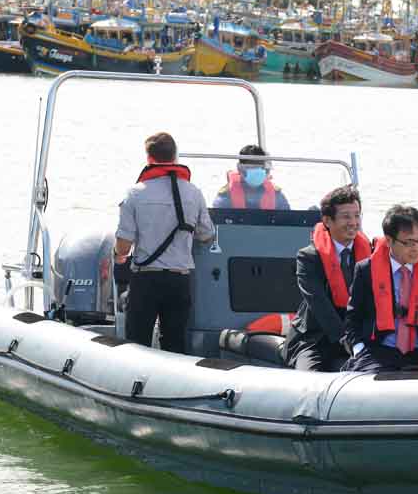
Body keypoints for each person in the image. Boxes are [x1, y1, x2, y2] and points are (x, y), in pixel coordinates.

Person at [114, 132, 215, 354]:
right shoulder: (194, 193)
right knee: (174, 343)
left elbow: (123, 247)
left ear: (149, 159)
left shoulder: (135, 194)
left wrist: (117, 255)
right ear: (175, 158)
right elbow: (207, 235)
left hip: (146, 279)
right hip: (179, 280)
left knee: (137, 344)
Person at [342, 205, 418, 374]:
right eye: (408, 242)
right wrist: (359, 349)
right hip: (377, 352)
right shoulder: (366, 270)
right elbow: (353, 318)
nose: (416, 248)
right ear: (389, 240)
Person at [282, 186, 371, 371]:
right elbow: (320, 305)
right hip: (314, 340)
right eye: (346, 216)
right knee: (310, 379)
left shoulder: (370, 255)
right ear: (327, 221)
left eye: (357, 215)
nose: (353, 222)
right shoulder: (308, 258)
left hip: (356, 339)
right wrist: (349, 342)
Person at [212, 144, 290, 210]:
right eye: (252, 167)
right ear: (241, 169)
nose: (258, 171)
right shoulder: (225, 197)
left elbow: (288, 221)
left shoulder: (277, 196)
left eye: (261, 167)